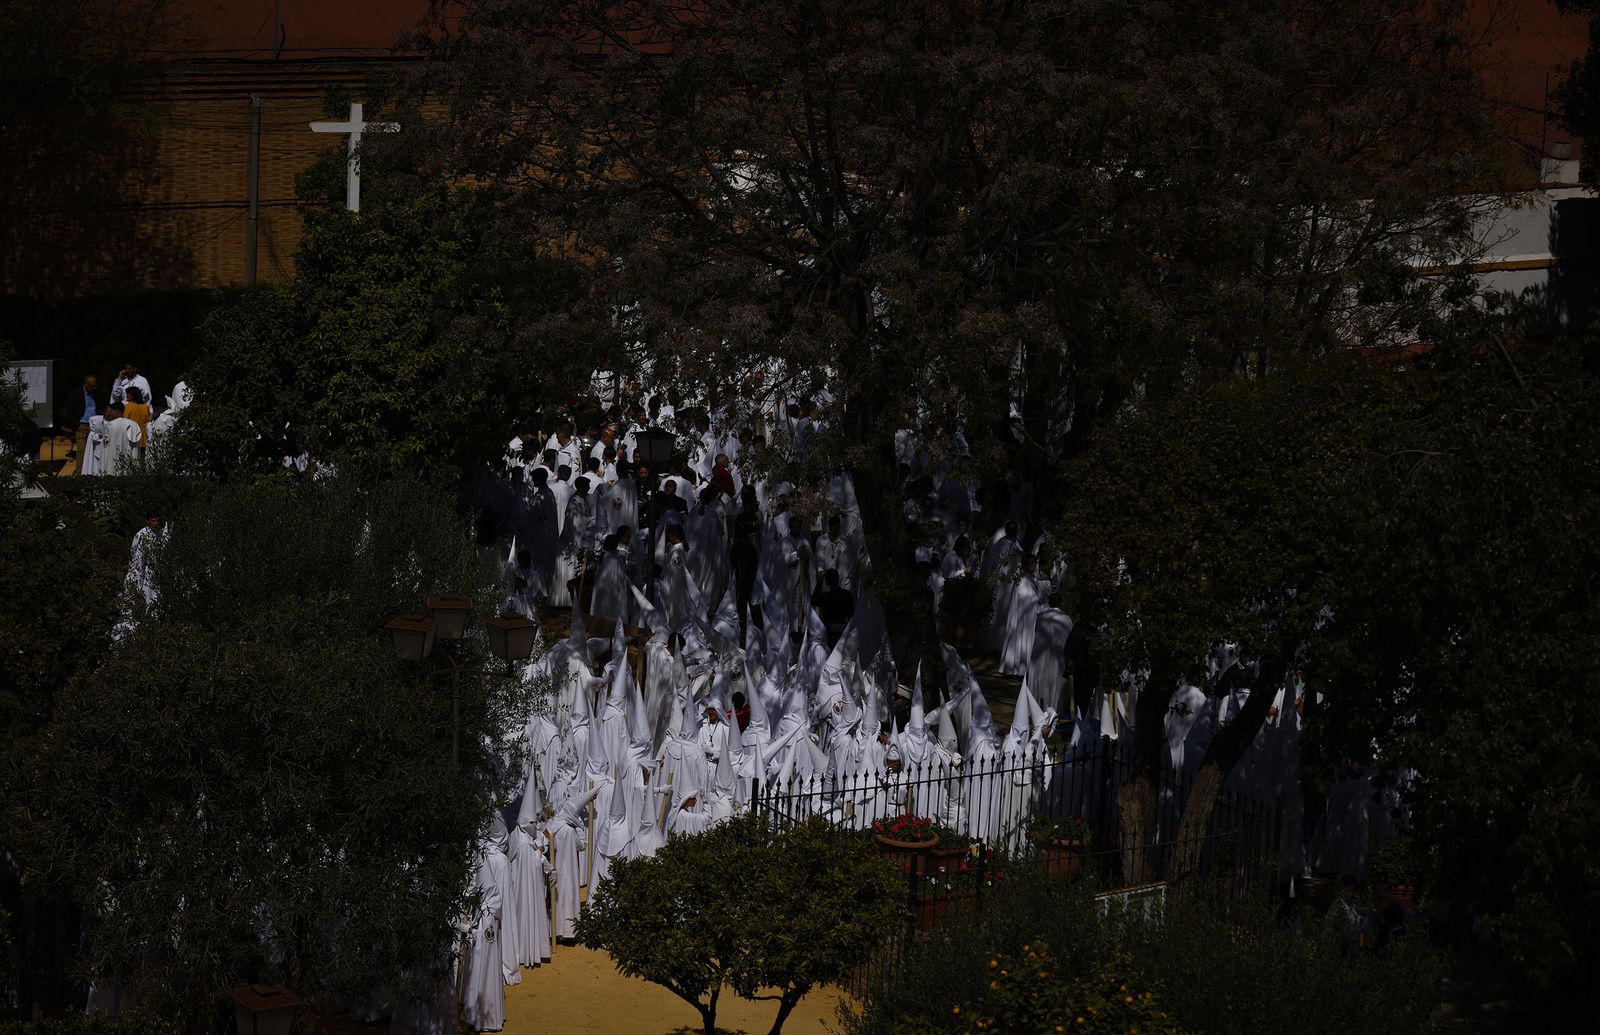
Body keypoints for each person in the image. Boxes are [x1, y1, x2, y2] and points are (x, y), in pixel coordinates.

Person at [68, 374, 99, 473]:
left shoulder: (95, 393)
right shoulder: (76, 393)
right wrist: (74, 424)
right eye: (91, 386)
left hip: (94, 425)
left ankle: (93, 471)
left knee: (95, 449)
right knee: (82, 450)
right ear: (86, 384)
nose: (93, 388)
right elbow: (70, 409)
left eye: (95, 385)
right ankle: (80, 472)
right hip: (81, 424)